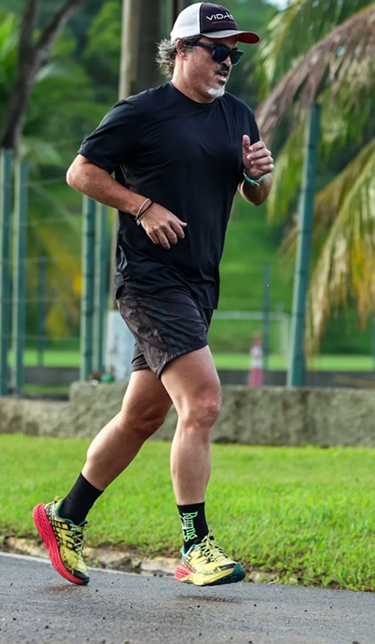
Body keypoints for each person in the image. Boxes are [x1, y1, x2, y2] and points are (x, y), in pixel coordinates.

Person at [33, 2, 274, 588]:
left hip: (200, 286)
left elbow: (256, 195)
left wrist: (257, 175)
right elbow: (81, 172)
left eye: (234, 55)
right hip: (149, 281)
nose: (228, 62)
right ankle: (196, 545)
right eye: (218, 51)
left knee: (142, 415)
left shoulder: (238, 115)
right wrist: (141, 206)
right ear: (183, 50)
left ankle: (66, 515)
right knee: (204, 401)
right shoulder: (141, 112)